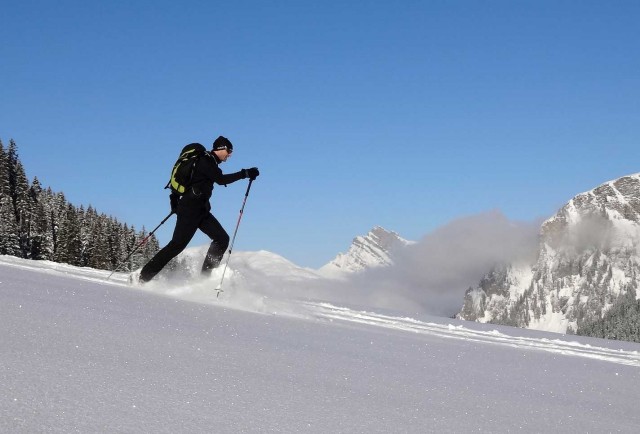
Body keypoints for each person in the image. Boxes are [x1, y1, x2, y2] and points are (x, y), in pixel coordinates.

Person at [135, 136, 259, 283]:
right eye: (229, 150)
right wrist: (244, 173)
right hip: (190, 210)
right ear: (220, 148)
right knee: (176, 245)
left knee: (221, 239)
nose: (230, 154)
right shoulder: (206, 161)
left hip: (201, 210)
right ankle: (143, 277)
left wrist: (174, 202)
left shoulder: (209, 162)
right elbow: (221, 180)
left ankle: (205, 279)